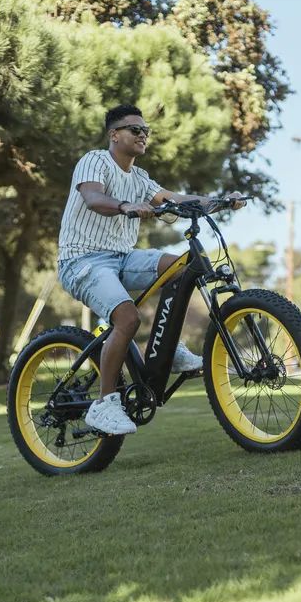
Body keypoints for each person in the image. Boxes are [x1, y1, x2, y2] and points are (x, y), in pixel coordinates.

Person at [57, 104, 246, 435]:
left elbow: (176, 198)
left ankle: (169, 350)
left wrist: (219, 201)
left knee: (180, 268)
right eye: (135, 130)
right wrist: (124, 206)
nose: (143, 135)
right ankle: (104, 405)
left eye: (146, 131)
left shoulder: (140, 178)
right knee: (128, 319)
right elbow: (92, 197)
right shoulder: (95, 161)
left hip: (121, 257)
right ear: (114, 134)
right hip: (82, 260)